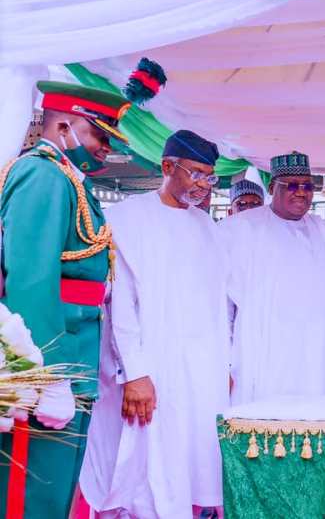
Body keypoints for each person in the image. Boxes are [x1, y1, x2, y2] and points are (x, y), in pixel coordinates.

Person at [80, 131, 230, 518]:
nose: (203, 185)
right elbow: (122, 305)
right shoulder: (128, 218)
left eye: (209, 177)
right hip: (150, 371)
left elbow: (217, 306)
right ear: (167, 167)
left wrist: (225, 365)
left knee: (191, 462)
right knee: (145, 467)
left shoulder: (209, 228)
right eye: (196, 173)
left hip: (199, 372)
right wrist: (136, 373)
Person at [0, 81, 129, 518]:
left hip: (75, 359)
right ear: (63, 124)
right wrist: (46, 377)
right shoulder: (42, 174)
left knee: (55, 496)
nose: (105, 149)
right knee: (31, 497)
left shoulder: (67, 178)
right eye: (99, 135)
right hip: (50, 364)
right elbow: (32, 281)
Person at [219, 152, 325, 403]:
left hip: (322, 360)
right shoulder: (240, 230)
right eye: (292, 186)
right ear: (272, 187)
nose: (302, 193)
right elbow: (222, 309)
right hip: (268, 359)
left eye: (307, 186)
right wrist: (224, 362)